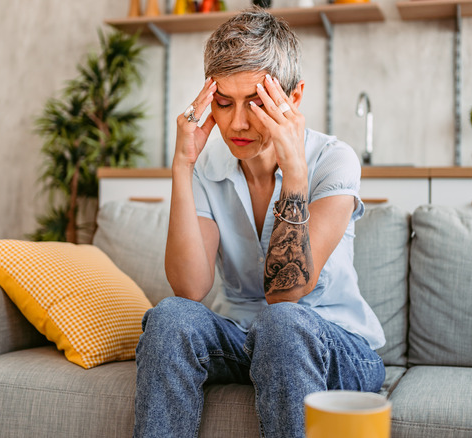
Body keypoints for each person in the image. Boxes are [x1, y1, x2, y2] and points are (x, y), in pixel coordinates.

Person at [133, 7, 385, 438]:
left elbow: (286, 293)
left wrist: (296, 172)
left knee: (281, 321)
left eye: (256, 103)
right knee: (170, 316)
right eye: (223, 103)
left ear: (295, 98)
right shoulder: (207, 166)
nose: (237, 123)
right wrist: (182, 164)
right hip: (242, 339)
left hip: (337, 347)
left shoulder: (332, 160)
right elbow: (190, 289)